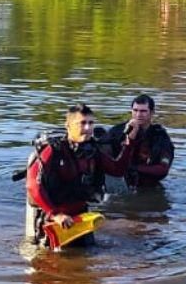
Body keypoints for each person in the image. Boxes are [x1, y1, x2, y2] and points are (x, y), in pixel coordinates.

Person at [24, 104, 130, 248]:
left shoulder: (93, 151)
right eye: (82, 123)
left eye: (91, 123)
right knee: (49, 262)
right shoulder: (53, 151)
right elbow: (33, 186)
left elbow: (117, 170)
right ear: (68, 126)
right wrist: (55, 214)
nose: (87, 128)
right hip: (52, 218)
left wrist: (130, 144)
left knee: (87, 257)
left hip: (80, 217)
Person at [106, 93, 174, 188]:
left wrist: (133, 168)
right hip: (120, 180)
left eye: (143, 111)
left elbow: (163, 169)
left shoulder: (160, 137)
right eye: (135, 110)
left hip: (147, 185)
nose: (138, 115)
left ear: (152, 112)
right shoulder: (117, 131)